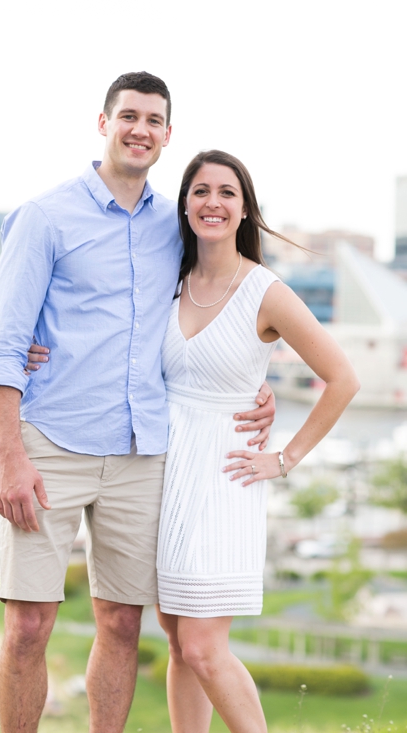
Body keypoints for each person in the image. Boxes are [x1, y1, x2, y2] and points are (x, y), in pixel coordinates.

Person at [0, 72, 275, 733]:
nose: (140, 129)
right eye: (129, 116)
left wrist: (256, 378)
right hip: (51, 443)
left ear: (168, 135)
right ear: (104, 122)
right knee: (28, 624)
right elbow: (3, 347)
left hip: (144, 451)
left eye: (154, 120)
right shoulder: (44, 217)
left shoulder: (177, 226)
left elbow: (218, 305)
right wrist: (9, 457)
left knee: (121, 622)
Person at [150, 150, 358, 731]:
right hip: (167, 470)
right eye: (200, 191)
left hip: (227, 474)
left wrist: (284, 457)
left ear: (244, 210)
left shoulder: (265, 290)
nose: (212, 202)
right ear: (185, 203)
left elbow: (343, 378)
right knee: (175, 639)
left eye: (226, 192)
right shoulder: (171, 279)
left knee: (203, 647)